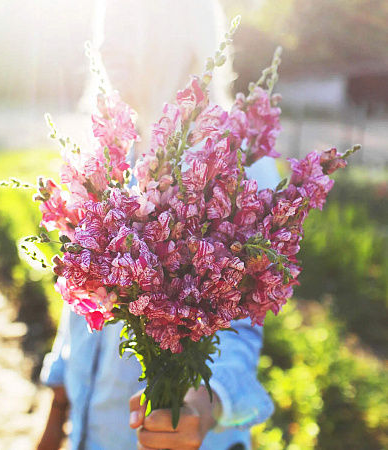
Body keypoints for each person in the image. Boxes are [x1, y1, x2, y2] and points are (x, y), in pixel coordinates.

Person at [38, 1, 278, 448]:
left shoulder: (235, 165)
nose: (110, 42)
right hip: (96, 434)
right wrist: (54, 420)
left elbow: (242, 330)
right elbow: (81, 304)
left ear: (182, 30)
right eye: (107, 24)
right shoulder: (112, 157)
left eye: (129, 23)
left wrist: (205, 407)